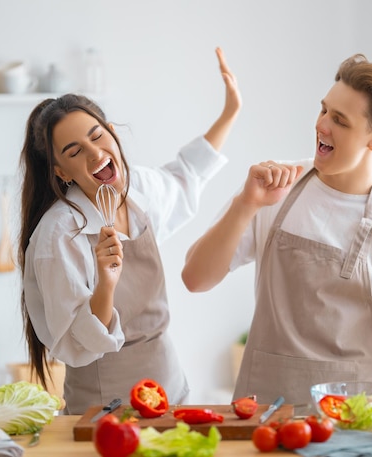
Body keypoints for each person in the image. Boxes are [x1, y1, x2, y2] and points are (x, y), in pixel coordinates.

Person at [181, 54, 372, 405]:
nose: (322, 125)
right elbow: (195, 279)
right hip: (262, 420)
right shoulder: (272, 186)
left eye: (340, 120)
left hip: (353, 427)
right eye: (323, 110)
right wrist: (246, 204)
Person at [18, 48, 241, 414]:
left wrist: (230, 112)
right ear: (61, 172)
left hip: (171, 391)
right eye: (75, 151)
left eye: (97, 135)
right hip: (107, 407)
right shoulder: (58, 235)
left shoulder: (139, 192)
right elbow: (77, 342)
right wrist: (106, 284)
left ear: (111, 131)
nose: (95, 153)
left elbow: (186, 173)